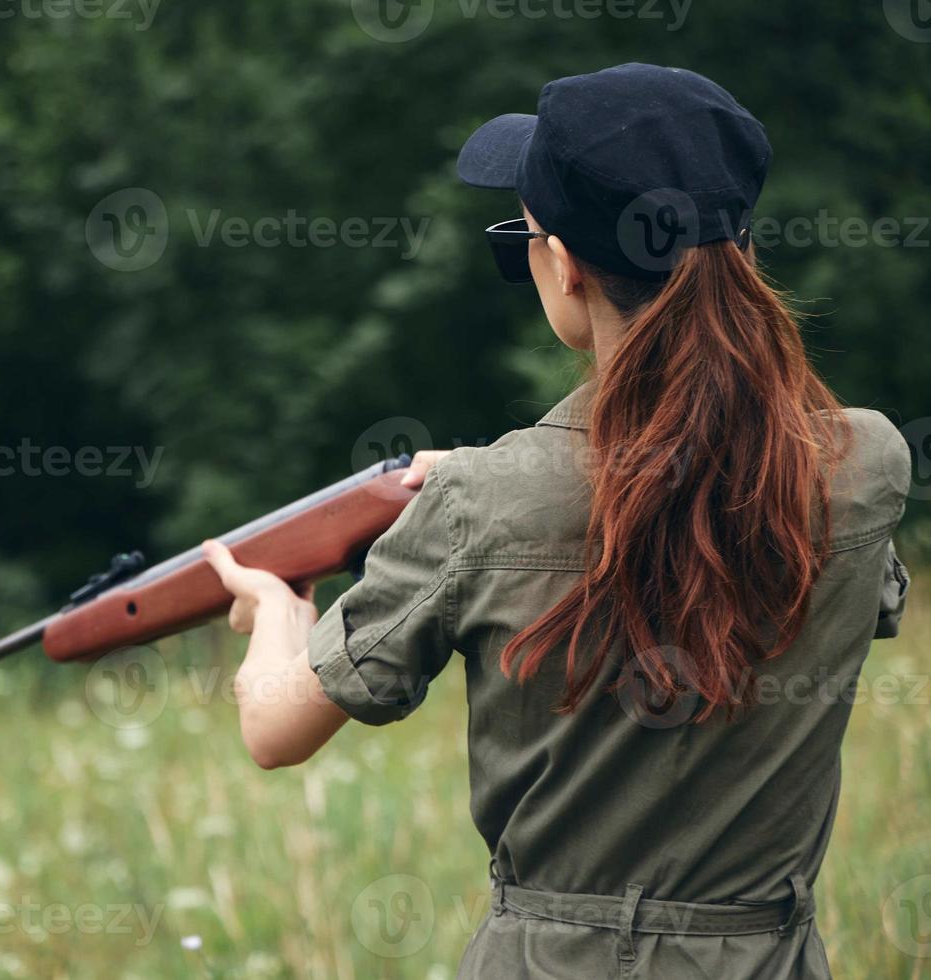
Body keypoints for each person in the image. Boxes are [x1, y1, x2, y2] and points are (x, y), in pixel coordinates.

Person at [200, 63, 911, 978]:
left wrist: (275, 608)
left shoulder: (483, 505)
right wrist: (491, 483)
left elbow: (274, 730)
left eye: (521, 237)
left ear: (565, 264)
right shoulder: (866, 465)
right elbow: (681, 482)